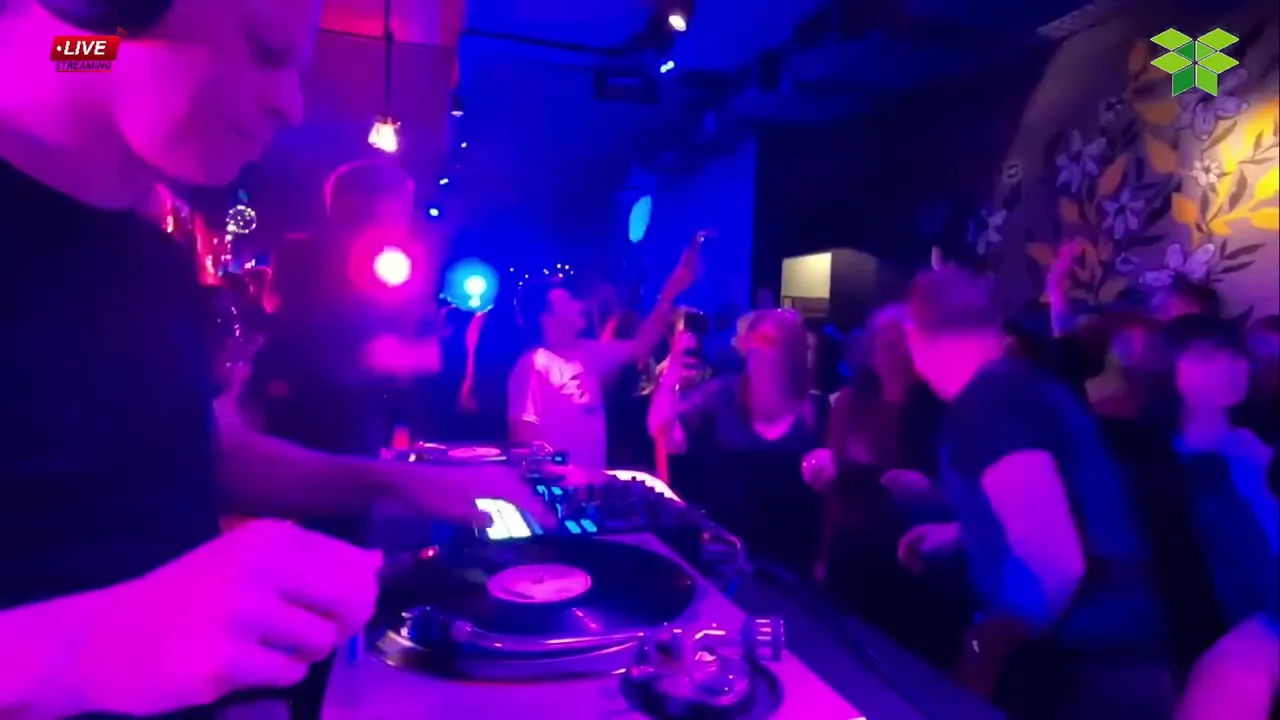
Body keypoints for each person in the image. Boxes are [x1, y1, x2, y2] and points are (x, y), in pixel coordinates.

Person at [0, 1, 541, 716]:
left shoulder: (153, 259)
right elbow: (69, 46)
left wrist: (398, 484)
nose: (291, 104)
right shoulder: (90, 45)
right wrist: (84, 646)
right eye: (264, 49)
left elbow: (201, 452)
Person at [898, 267, 1173, 719]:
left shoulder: (988, 403)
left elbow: (1055, 564)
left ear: (915, 336)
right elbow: (1059, 505)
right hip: (1117, 656)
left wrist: (981, 652)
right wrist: (961, 533)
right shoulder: (1022, 386)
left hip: (1084, 671)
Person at [802, 304, 958, 666]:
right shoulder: (852, 403)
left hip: (916, 573)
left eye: (900, 343)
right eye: (882, 343)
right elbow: (834, 493)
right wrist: (824, 555)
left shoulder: (945, 410)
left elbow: (971, 503)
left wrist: (931, 495)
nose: (889, 353)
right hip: (852, 562)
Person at [649, 309, 827, 573]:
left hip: (792, 564)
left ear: (794, 354)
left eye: (770, 342)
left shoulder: (816, 410)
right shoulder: (720, 396)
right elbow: (666, 435)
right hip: (726, 558)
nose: (759, 349)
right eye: (754, 340)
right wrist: (673, 371)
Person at [508, 241, 699, 472]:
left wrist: (670, 292)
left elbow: (641, 345)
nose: (579, 305)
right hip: (560, 485)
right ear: (546, 318)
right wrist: (548, 479)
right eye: (568, 301)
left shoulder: (589, 352)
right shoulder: (532, 364)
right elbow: (524, 433)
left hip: (593, 483)